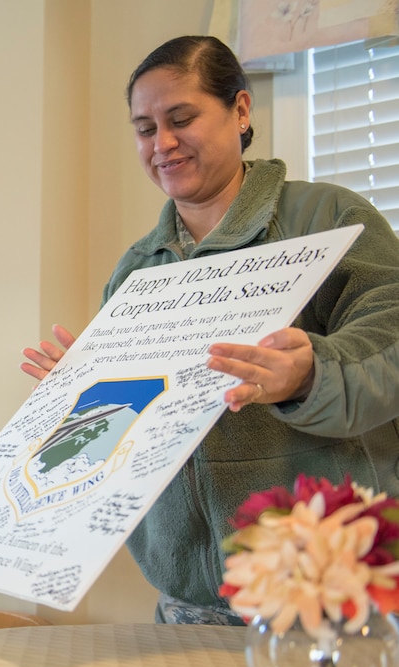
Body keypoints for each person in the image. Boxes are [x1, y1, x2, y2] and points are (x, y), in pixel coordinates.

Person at [21, 35, 399, 625]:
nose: (162, 143)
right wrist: (83, 399)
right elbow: (132, 432)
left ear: (241, 111)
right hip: (187, 603)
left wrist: (310, 374)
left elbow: (391, 349)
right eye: (145, 128)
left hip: (324, 591)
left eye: (181, 118)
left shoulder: (330, 220)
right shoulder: (139, 269)